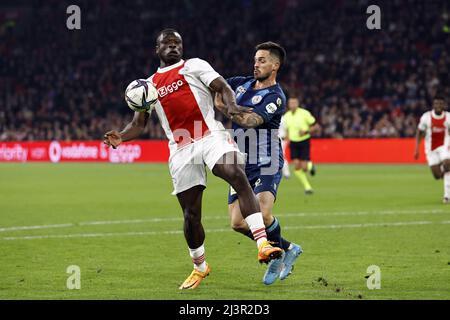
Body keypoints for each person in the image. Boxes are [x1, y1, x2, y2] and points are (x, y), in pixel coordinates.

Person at [103, 29, 282, 290]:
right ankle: (200, 266)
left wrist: (231, 106)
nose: (173, 47)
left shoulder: (194, 65)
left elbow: (222, 86)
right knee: (191, 214)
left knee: (234, 172)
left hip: (209, 135)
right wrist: (121, 136)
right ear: (157, 49)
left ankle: (262, 243)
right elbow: (139, 123)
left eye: (177, 43)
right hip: (180, 149)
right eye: (168, 43)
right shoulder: (149, 86)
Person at [214, 42, 302, 285]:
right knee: (237, 223)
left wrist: (225, 108)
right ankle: (288, 248)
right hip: (241, 162)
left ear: (275, 65)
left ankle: (274, 257)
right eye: (255, 59)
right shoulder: (241, 83)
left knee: (262, 216)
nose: (256, 63)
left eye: (262, 60)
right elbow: (215, 83)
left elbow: (251, 120)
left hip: (266, 160)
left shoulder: (276, 97)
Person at [414, 93, 450, 204]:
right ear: (433, 105)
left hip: (445, 146)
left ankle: (447, 196)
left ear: (444, 105)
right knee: (437, 175)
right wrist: (416, 149)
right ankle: (444, 170)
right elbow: (419, 132)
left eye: (440, 103)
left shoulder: (448, 117)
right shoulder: (426, 117)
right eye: (436, 103)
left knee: (448, 162)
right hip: (430, 149)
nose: (438, 105)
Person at [282, 97, 320, 194]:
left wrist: (306, 131)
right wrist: (286, 138)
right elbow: (286, 130)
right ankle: (307, 187)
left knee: (304, 167)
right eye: (291, 103)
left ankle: (310, 166)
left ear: (297, 103)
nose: (293, 104)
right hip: (293, 143)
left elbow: (316, 126)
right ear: (288, 104)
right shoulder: (286, 116)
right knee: (296, 166)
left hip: (304, 141)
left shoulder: (304, 113)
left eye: (294, 102)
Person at [279, 113, 291, 178]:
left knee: (282, 155)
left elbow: (287, 129)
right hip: (273, 139)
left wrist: (288, 138)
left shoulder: (283, 118)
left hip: (282, 139)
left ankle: (286, 173)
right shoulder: (272, 116)